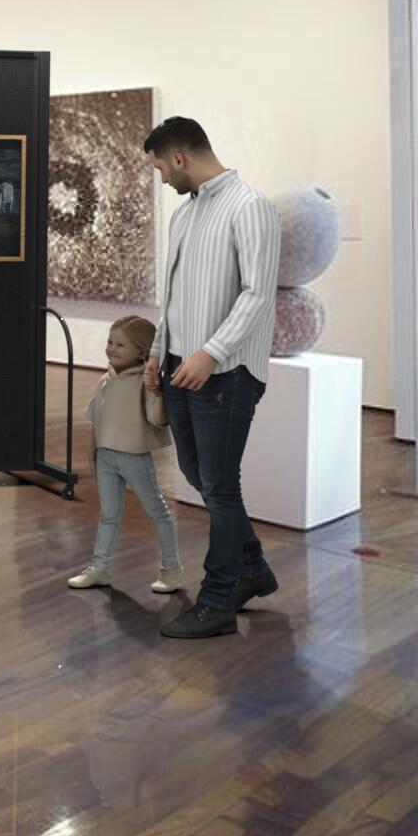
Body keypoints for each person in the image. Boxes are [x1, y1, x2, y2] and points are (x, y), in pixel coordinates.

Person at [141, 117, 281, 639]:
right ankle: (253, 568)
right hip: (180, 367)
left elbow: (258, 294)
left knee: (219, 486)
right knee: (198, 475)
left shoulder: (251, 207)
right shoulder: (184, 214)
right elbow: (175, 297)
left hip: (227, 373)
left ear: (179, 159)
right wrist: (158, 352)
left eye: (160, 167)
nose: (161, 178)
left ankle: (218, 600)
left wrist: (210, 353)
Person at [67, 314, 184, 593]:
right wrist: (93, 454)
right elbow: (98, 421)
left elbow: (158, 419)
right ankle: (100, 568)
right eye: (110, 342)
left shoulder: (144, 383)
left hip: (134, 458)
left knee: (157, 511)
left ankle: (172, 570)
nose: (111, 348)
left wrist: (159, 393)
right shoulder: (104, 381)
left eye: (120, 344)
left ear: (142, 352)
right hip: (106, 458)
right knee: (108, 514)